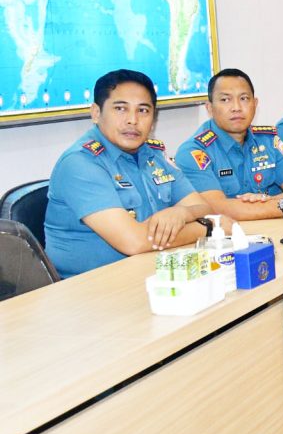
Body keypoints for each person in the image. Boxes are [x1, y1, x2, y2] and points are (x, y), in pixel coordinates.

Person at [45, 70, 215, 278]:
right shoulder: (80, 163)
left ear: (153, 118)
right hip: (90, 286)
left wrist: (182, 213)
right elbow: (134, 242)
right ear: (96, 113)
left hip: (147, 273)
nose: (132, 120)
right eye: (120, 109)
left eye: (143, 110)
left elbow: (203, 207)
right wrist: (207, 228)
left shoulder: (152, 154)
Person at [175, 68, 283, 220]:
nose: (236, 108)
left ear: (255, 103)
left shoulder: (268, 140)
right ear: (209, 108)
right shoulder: (194, 152)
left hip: (275, 228)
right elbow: (216, 209)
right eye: (225, 100)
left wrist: (266, 202)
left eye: (244, 98)